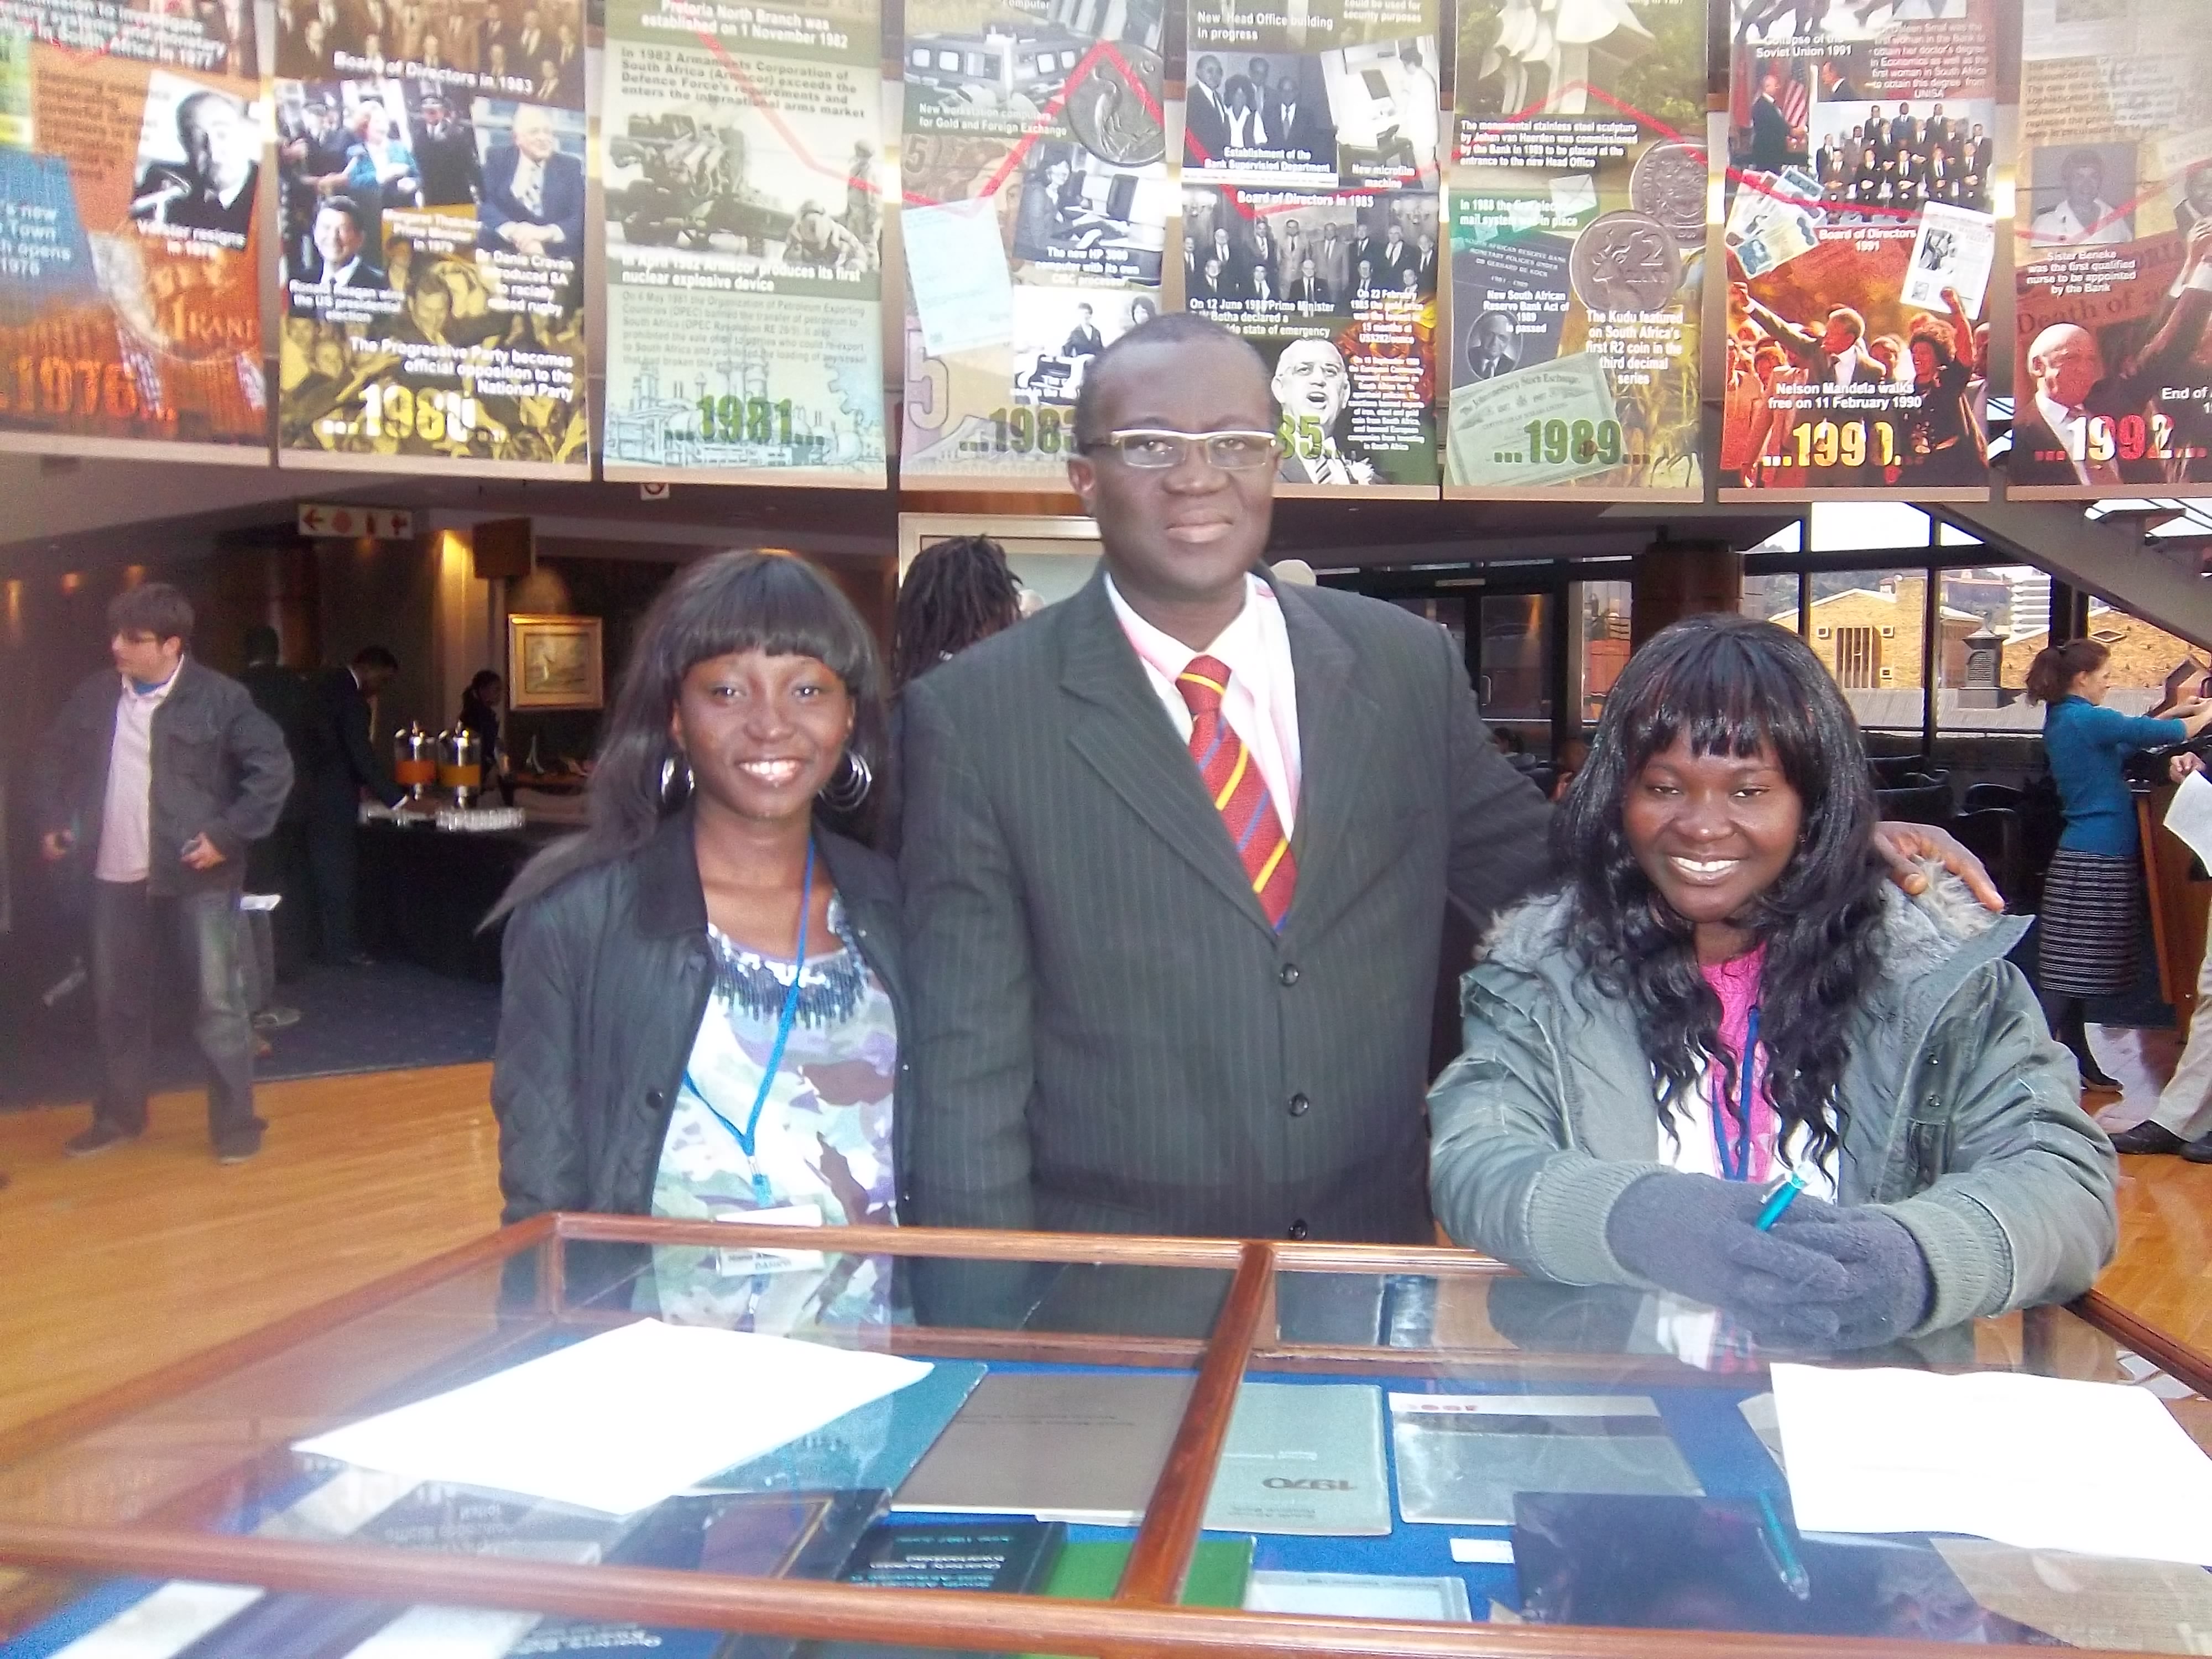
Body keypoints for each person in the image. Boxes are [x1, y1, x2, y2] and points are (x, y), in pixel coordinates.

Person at [897, 314, 1999, 1246]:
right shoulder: (976, 718)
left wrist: (1824, 840)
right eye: (1148, 443)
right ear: (1083, 476)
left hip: (1363, 1257)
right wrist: (987, 1345)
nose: (1195, 475)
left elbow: (1563, 863)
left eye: (1234, 438)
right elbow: (964, 1082)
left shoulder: (1396, 667)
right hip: (1116, 1286)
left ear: (1275, 462)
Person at [1428, 614, 2117, 1350]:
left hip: (1869, 1422)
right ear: (1616, 797)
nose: (1701, 825)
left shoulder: (1934, 973)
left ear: (1812, 804)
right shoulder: (1542, 975)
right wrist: (1635, 1216)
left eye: (1750, 792)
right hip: (1615, 1422)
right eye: (1664, 786)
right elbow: (1480, 1160)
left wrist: (1917, 1259)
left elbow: (2062, 1177)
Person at [488, 552, 905, 1324]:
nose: (771, 722)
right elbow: (541, 1204)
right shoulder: (577, 920)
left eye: (808, 689)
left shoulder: (904, 912)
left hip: (872, 1357)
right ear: (676, 716)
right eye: (727, 690)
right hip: (653, 1371)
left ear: (849, 716)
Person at [32, 585, 291, 1164]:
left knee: (218, 1004)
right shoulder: (98, 695)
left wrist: (226, 835)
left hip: (199, 875)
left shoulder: (221, 698)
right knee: (116, 1003)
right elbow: (51, 755)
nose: (117, 647)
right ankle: (120, 1117)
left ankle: (235, 1127)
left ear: (172, 645)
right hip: (112, 874)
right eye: (117, 634)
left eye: (134, 638)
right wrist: (52, 817)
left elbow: (271, 770)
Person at [2027, 639, 2212, 1091]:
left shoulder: (2072, 719)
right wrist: (2202, 715)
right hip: (2093, 855)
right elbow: (2159, 737)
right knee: (2069, 970)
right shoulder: (2085, 719)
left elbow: (2130, 734)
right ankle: (2024, 1068)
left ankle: (2073, 1053)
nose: (2110, 683)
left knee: (2077, 967)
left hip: (2092, 853)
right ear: (2083, 678)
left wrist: (2173, 712)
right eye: (2106, 675)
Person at [2009, 222, 2212, 488]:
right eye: (2071, 359)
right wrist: (2205, 266)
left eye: (2091, 359)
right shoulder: (2018, 435)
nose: (2085, 369)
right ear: (2037, 366)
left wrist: (2193, 267)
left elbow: (2157, 350)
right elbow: (2167, 348)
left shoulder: (2113, 401)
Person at [302, 645, 405, 965]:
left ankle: (321, 944)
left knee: (318, 872)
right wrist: (398, 799)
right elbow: (360, 754)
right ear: (370, 670)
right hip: (333, 797)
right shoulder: (352, 700)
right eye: (383, 681)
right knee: (339, 873)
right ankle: (341, 948)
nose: (380, 689)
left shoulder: (319, 684)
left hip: (306, 792)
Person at [238, 625, 314, 1007]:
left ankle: (262, 967)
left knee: (257, 884)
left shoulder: (233, 691)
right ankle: (293, 959)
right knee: (293, 879)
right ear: (278, 651)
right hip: (295, 798)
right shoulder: (298, 687)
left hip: (250, 802)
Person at [129, 90, 259, 240]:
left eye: (222, 134)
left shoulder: (269, 192)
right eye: (196, 138)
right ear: (184, 145)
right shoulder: (165, 181)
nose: (214, 151)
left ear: (243, 134)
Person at [478, 104, 584, 258]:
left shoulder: (569, 167)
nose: (543, 138)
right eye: (534, 132)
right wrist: (515, 232)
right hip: (503, 248)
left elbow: (579, 218)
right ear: (517, 138)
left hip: (552, 253)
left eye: (548, 132)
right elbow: (484, 204)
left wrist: (545, 234)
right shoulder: (498, 159)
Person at [2031, 149, 2129, 247]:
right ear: (2067, 182)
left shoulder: (2116, 221)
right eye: (2079, 177)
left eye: (2093, 177)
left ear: (2100, 181)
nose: (2087, 185)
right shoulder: (2045, 224)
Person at [305, 196, 388, 289]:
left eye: (343, 229)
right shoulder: (301, 283)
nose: (333, 237)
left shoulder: (381, 286)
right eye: (326, 228)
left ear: (360, 239)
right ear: (315, 233)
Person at [458, 669, 504, 789]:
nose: (500, 695)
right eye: (496, 690)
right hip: (478, 771)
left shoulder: (487, 715)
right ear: (483, 690)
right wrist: (490, 767)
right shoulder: (474, 716)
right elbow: (477, 748)